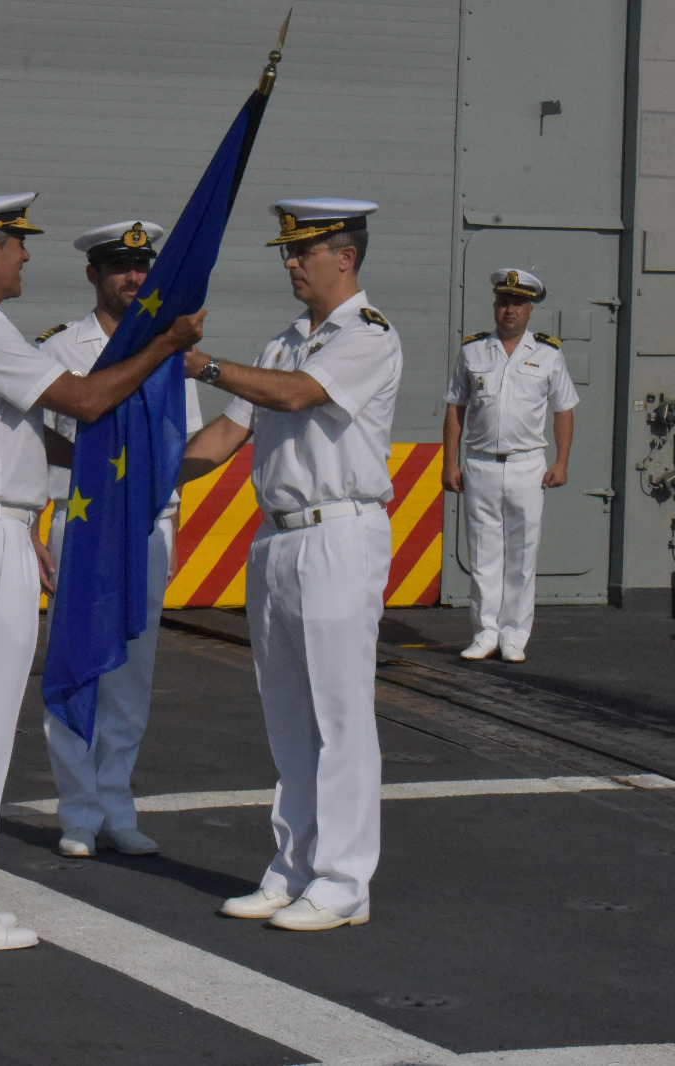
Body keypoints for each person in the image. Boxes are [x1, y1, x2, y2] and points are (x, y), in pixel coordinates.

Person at [0, 193, 204, 950]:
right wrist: (165, 345)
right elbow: (86, 397)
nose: (25, 257)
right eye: (16, 244)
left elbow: (41, 439)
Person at [179, 198, 399, 932]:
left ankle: (343, 883)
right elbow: (226, 433)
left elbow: (300, 397)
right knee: (288, 718)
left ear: (347, 256)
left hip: (339, 533)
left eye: (304, 250)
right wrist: (151, 474)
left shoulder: (368, 336)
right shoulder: (281, 343)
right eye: (288, 251)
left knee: (340, 716)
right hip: (277, 538)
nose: (291, 263)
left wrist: (204, 363)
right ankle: (295, 866)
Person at [37, 219, 203, 859]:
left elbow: (178, 450)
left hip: (146, 528)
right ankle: (77, 813)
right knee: (78, 663)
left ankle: (116, 804)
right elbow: (35, 443)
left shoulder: (170, 350)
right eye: (120, 268)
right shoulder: (58, 348)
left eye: (143, 269)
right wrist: (34, 529)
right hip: (79, 525)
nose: (134, 278)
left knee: (133, 675)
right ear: (93, 275)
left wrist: (175, 528)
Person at [441, 269, 577, 663]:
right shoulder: (472, 351)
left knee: (522, 553)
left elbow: (564, 410)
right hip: (481, 463)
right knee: (483, 553)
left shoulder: (548, 353)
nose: (509, 311)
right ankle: (485, 630)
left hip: (526, 465)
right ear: (495, 306)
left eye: (517, 303)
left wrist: (562, 461)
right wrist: (451, 462)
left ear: (530, 309)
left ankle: (515, 634)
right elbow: (455, 408)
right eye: (503, 302)